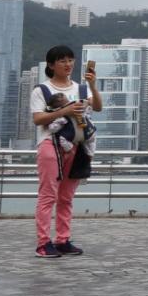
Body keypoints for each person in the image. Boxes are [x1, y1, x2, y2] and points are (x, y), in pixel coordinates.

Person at [31, 45, 102, 258]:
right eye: (62, 61)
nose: (68, 64)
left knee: (66, 197)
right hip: (50, 145)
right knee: (48, 196)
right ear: (51, 65)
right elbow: (38, 119)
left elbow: (97, 107)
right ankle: (43, 243)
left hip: (77, 147)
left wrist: (92, 85)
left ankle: (62, 240)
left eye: (70, 60)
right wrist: (65, 110)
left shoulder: (81, 89)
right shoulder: (41, 90)